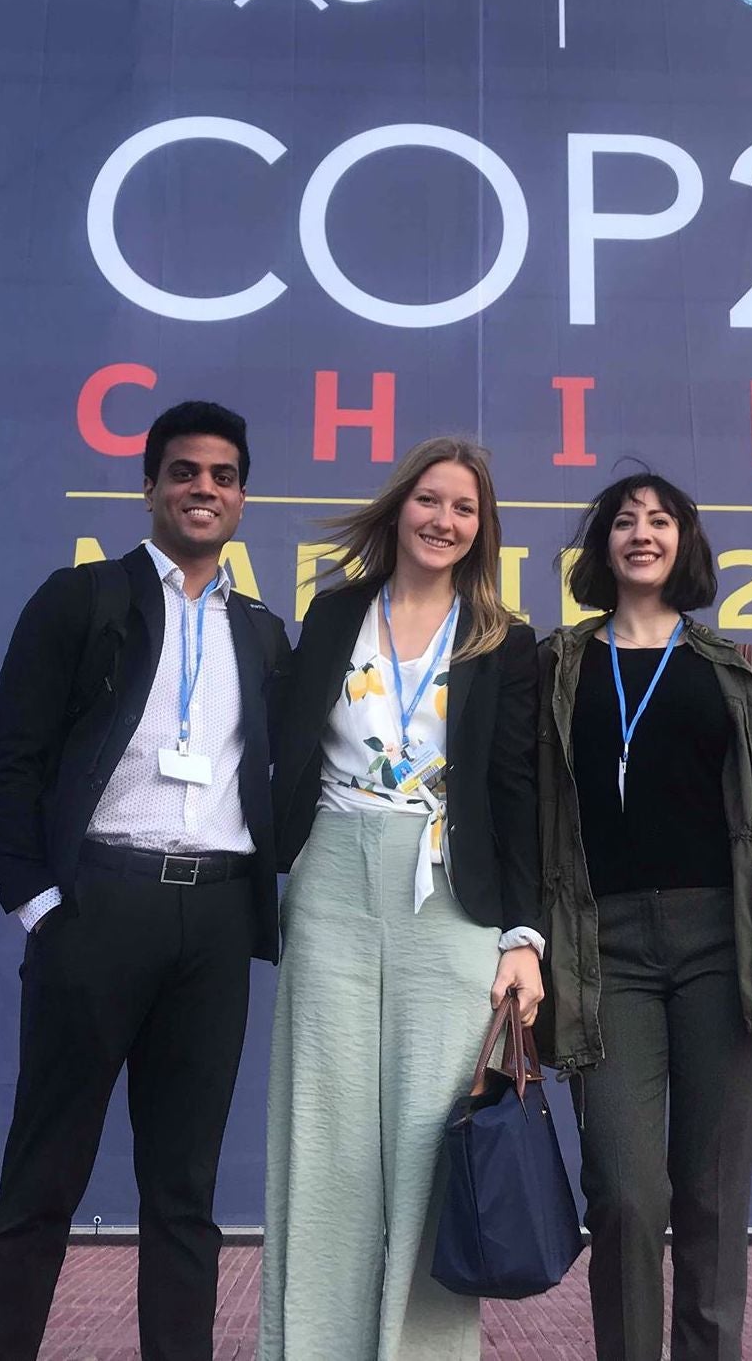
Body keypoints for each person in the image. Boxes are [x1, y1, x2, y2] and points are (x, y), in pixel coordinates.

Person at [0, 400, 290, 1361]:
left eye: (223, 476)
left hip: (216, 921)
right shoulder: (83, 599)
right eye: (184, 472)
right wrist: (38, 901)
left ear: (242, 499)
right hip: (98, 907)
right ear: (150, 487)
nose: (203, 489)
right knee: (43, 1179)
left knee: (185, 1193)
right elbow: (5, 758)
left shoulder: (262, 632)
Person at [536, 472, 752, 1361]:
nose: (642, 533)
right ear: (601, 546)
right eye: (623, 521)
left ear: (685, 542)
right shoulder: (555, 665)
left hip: (726, 944)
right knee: (626, 1194)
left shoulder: (736, 668)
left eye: (660, 520)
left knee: (711, 1197)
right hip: (602, 950)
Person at [258, 437, 545, 1361]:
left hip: (452, 893)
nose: (442, 520)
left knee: (432, 1146)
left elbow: (518, 793)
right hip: (333, 878)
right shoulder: (335, 611)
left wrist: (524, 936)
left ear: (481, 529)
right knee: (325, 1140)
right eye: (429, 499)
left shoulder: (503, 638)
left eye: (463, 508)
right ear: (399, 507)